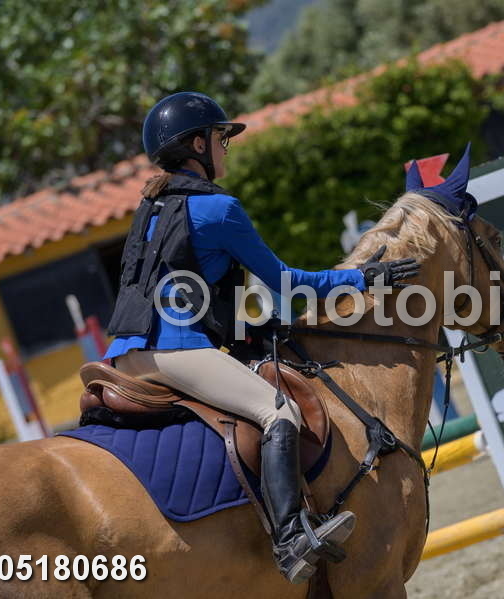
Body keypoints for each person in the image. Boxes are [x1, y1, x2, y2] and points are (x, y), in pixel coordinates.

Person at [103, 92, 419, 583]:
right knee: (279, 412)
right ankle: (291, 537)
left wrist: (244, 329)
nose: (225, 147)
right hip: (173, 351)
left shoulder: (150, 210)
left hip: (122, 355)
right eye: (220, 138)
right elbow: (289, 283)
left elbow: (178, 293)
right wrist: (364, 279)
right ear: (197, 145)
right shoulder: (217, 209)